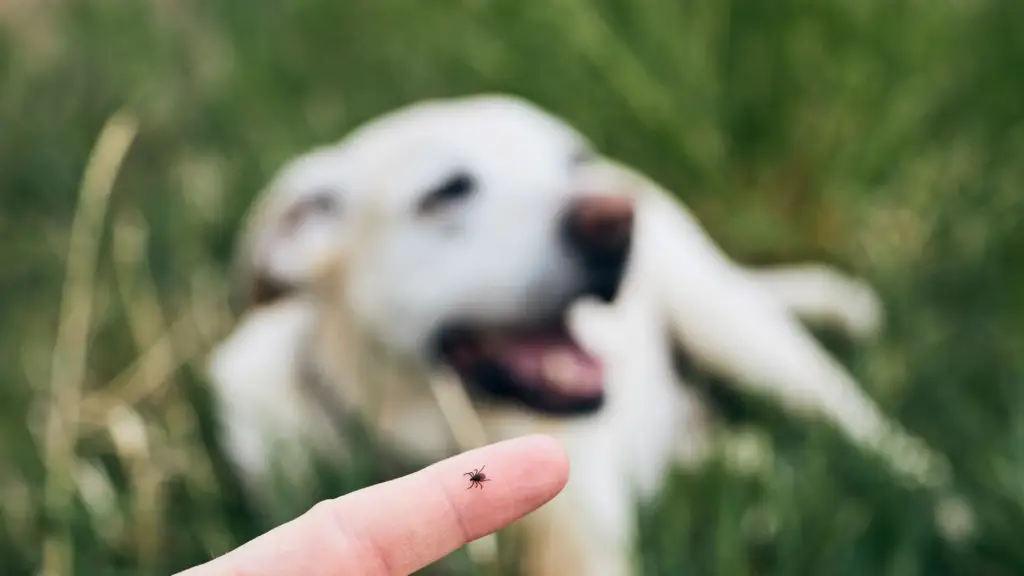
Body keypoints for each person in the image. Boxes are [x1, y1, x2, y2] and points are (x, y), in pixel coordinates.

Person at [176, 435, 569, 576]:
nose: (475, 479)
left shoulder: (474, 478)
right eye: (476, 478)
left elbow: (476, 478)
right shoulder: (475, 479)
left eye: (476, 478)